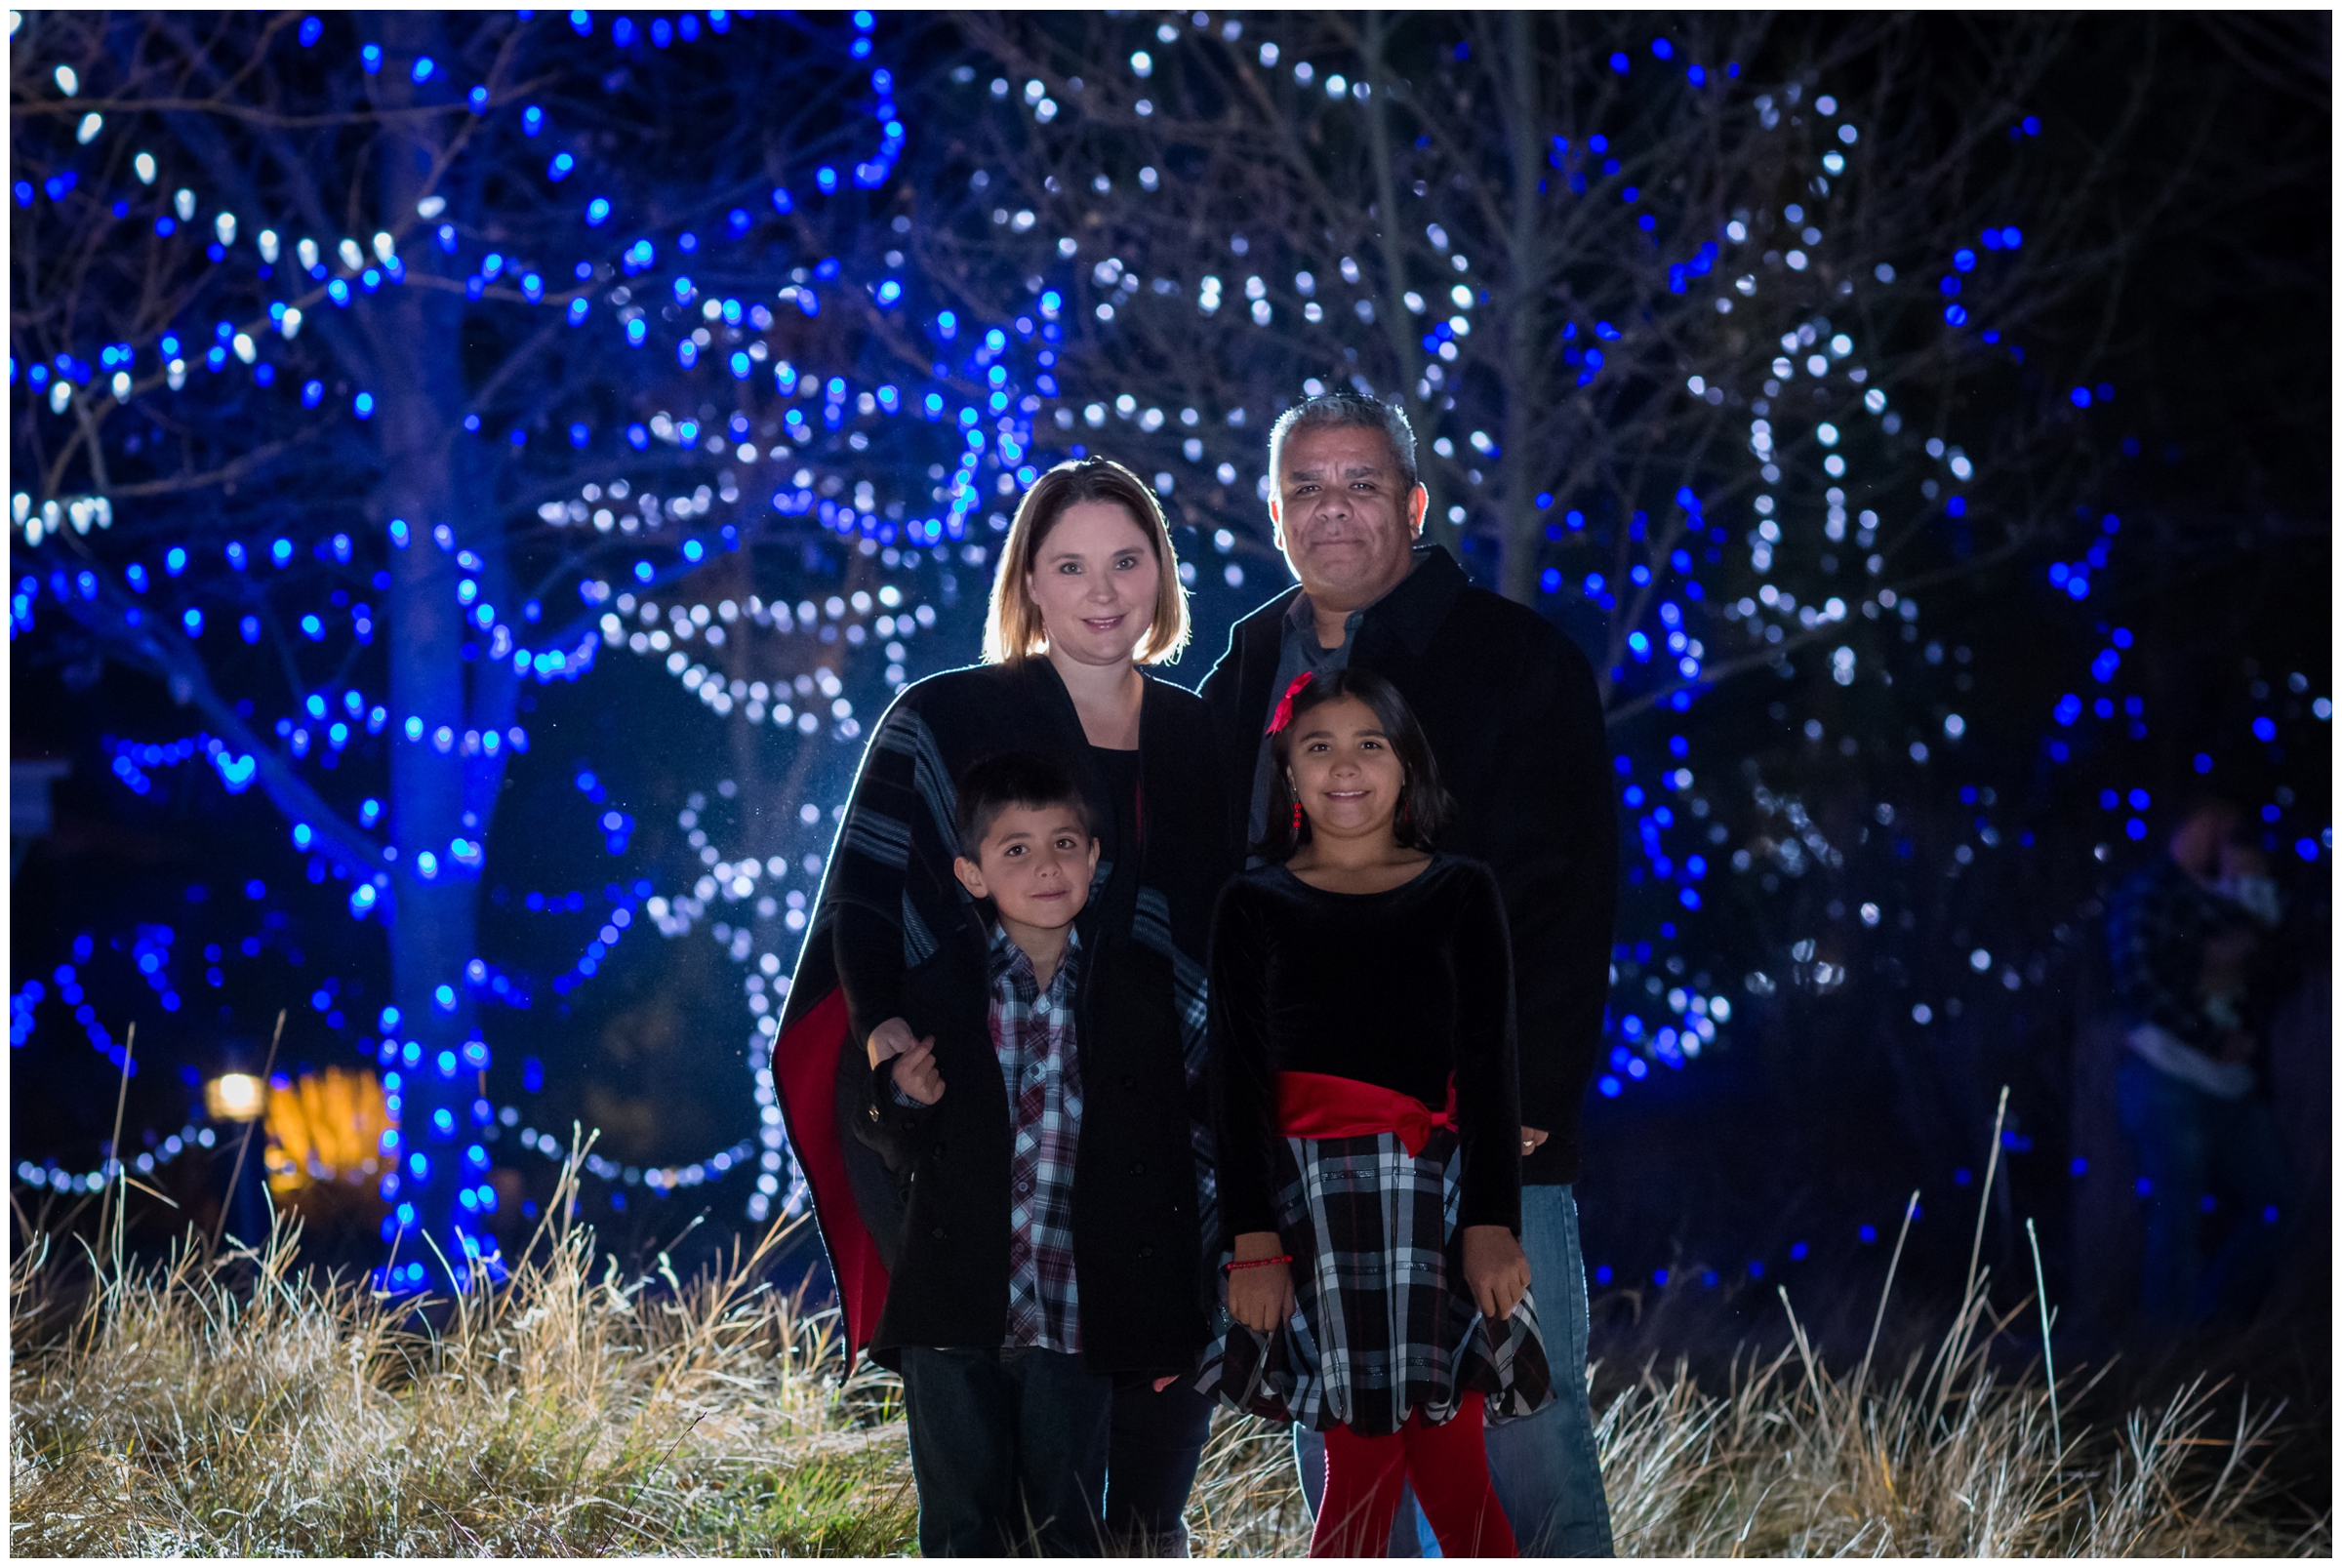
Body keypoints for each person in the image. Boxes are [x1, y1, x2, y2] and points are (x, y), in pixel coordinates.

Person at [773, 458, 1232, 1554]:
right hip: (974, 1142)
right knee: (981, 1502)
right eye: (1071, 565)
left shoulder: (1205, 738)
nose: (1104, 589)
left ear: (1163, 576)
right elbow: (866, 901)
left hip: (1157, 1156)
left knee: (1135, 1507)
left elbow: (1236, 945)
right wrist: (887, 1028)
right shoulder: (947, 716)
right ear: (1028, 582)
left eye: (1129, 559)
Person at [1198, 393, 1616, 1554]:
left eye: (1364, 484)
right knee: (1352, 1472)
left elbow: (1572, 893)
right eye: (1310, 488)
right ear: (1276, 511)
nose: (1335, 511)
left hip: (1479, 1132)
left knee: (1524, 1447)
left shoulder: (1514, 660)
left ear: (1417, 504)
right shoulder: (1242, 674)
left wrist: (1525, 1099)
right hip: (1309, 1154)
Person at [1196, 667, 1550, 1558]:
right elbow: (1234, 1081)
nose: (1344, 766)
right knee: (1357, 1464)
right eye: (1318, 747)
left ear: (1406, 766)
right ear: (1286, 773)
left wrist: (1491, 1224)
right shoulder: (1252, 900)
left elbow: (1490, 1065)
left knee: (1451, 1456)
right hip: (1308, 1210)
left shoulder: (1459, 891)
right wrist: (1252, 1242)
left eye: (1369, 745)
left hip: (1435, 1203)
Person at [856, 752, 1109, 1551]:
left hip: (1074, 1314)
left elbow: (1155, 1155)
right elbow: (884, 1140)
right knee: (963, 1527)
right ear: (971, 873)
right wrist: (900, 1096)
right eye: (1016, 850)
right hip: (951, 1312)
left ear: (1094, 858)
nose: (1045, 867)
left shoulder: (1122, 993)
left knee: (1063, 1530)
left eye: (1065, 844)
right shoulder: (935, 992)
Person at [2107, 798, 2297, 1331]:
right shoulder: (2151, 893)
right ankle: (2170, 1359)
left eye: (2231, 827)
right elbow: (2142, 982)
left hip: (2233, 1087)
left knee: (2278, 1206)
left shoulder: (2246, 895)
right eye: (2214, 821)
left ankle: (2211, 1325)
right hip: (2167, 1074)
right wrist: (2211, 1032)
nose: (2223, 836)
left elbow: (2268, 959)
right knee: (2176, 1219)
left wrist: (2247, 907)